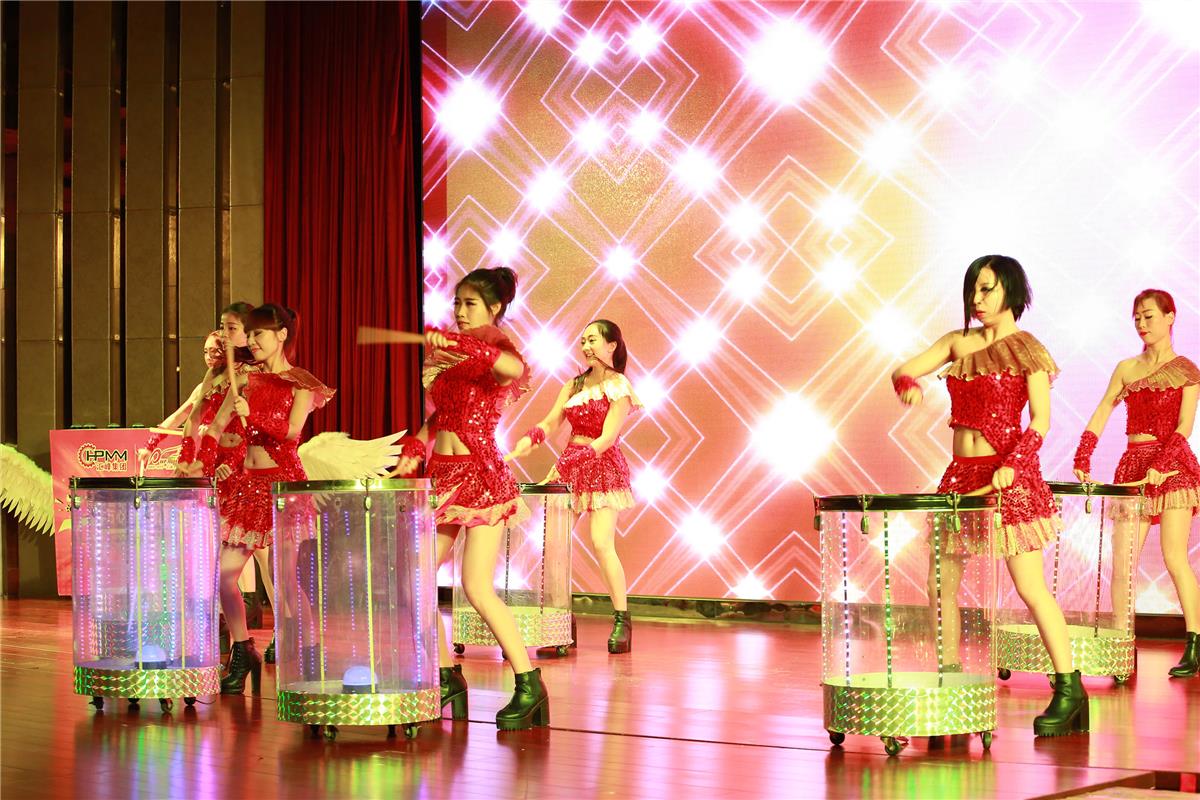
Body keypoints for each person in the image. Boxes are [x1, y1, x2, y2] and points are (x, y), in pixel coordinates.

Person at [891, 255, 1086, 736]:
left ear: (1010, 291)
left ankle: (1070, 688)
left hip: (1010, 474)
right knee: (941, 584)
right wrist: (907, 384)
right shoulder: (957, 343)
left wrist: (1013, 464)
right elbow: (905, 369)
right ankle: (950, 680)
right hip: (962, 476)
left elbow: (1040, 420)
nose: (977, 299)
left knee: (1030, 587)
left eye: (987, 289)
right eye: (973, 291)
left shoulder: (1028, 349)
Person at [392, 267, 549, 730]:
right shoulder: (449, 358)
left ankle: (529, 684)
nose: (459, 312)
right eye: (457, 303)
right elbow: (441, 416)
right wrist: (415, 446)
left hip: (480, 474)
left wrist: (467, 345)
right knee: (413, 580)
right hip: (443, 475)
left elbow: (514, 369)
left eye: (470, 304)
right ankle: (446, 676)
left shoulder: (498, 348)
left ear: (494, 307)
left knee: (476, 586)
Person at [199, 304, 334, 694]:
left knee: (285, 582)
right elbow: (216, 425)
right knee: (223, 576)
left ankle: (311, 654)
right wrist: (208, 457)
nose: (253, 340)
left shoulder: (301, 383)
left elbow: (291, 432)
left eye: (259, 333)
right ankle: (243, 650)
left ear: (281, 335)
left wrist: (253, 415)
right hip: (246, 485)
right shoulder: (245, 377)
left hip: (282, 488)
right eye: (250, 333)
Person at [1073, 288, 1200, 677]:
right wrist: (1083, 454)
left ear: (1170, 317)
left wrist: (1161, 464)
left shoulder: (1186, 370)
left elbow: (1184, 426)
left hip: (1173, 467)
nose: (1142, 324)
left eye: (1149, 316)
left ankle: (1194, 644)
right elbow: (1103, 409)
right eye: (1137, 318)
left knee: (1174, 556)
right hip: (1133, 466)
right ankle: (1121, 648)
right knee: (1122, 562)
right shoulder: (1126, 368)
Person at [508, 319, 640, 653]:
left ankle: (622, 620)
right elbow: (552, 421)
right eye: (583, 341)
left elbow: (607, 439)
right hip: (571, 467)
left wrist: (568, 463)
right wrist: (532, 437)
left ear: (611, 345)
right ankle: (561, 624)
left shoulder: (619, 386)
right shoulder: (573, 385)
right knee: (555, 546)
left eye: (593, 340)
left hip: (603, 468)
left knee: (601, 543)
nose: (586, 347)